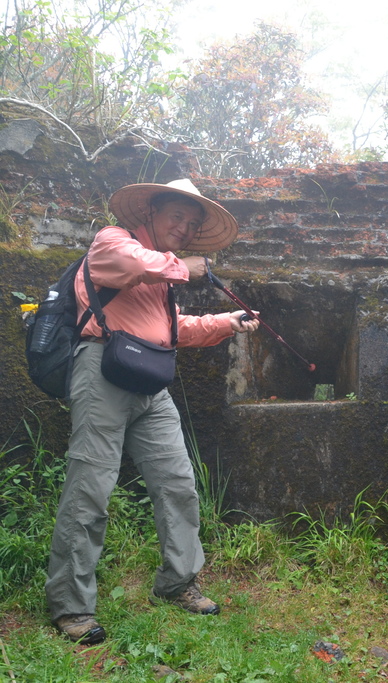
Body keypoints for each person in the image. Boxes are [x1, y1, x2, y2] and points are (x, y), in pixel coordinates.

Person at [45, 179, 259, 645]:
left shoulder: (160, 278)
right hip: (102, 371)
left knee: (178, 482)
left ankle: (179, 582)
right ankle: (71, 606)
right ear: (151, 213)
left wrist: (226, 322)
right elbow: (126, 264)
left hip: (150, 382)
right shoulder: (114, 241)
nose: (183, 228)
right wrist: (182, 268)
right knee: (90, 488)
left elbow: (169, 330)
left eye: (192, 222)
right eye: (176, 217)